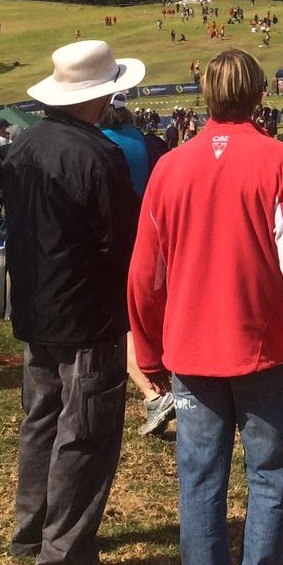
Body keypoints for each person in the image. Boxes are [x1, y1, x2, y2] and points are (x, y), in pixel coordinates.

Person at [129, 50, 283, 565]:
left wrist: (147, 348)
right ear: (260, 94)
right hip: (261, 349)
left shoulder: (170, 167)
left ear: (204, 92)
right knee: (269, 481)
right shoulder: (277, 159)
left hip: (191, 351)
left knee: (199, 484)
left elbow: (146, 272)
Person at [2, 40, 143, 565]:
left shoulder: (23, 146)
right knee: (84, 430)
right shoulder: (97, 155)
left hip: (37, 306)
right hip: (86, 311)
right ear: (100, 96)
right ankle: (63, 556)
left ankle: (32, 530)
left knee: (41, 419)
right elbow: (121, 241)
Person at [101, 93, 174, 437]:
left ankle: (153, 392)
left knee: (122, 322)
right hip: (153, 235)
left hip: (115, 239)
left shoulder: (97, 143)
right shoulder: (150, 143)